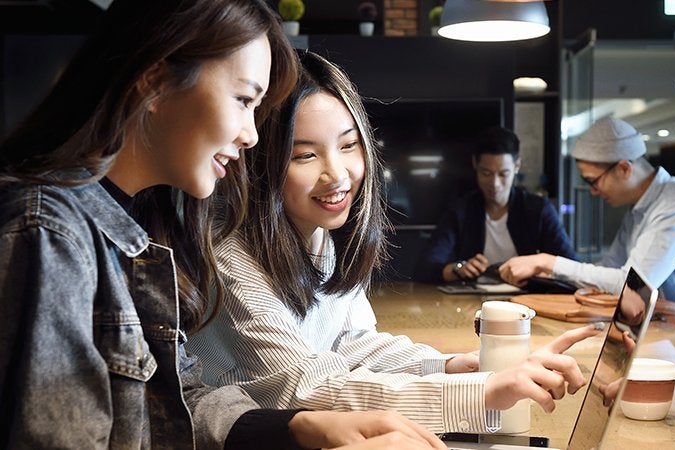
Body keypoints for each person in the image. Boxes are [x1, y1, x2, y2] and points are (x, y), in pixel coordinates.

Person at [0, 1, 447, 449]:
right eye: (244, 100)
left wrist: (294, 428)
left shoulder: (144, 221)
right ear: (154, 81)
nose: (252, 135)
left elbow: (170, 404)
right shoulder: (48, 232)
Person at [187, 50, 600, 435]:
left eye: (348, 145)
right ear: (260, 159)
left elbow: (352, 343)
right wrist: (483, 392)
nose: (339, 175)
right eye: (304, 155)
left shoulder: (320, 234)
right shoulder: (231, 255)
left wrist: (454, 366)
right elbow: (303, 388)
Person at [498, 116, 675, 310]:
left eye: (592, 181)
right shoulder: (640, 207)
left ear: (624, 168)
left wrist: (549, 262)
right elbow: (609, 270)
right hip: (668, 329)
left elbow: (631, 286)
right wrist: (547, 276)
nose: (593, 192)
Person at [413, 126, 576, 284]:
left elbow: (570, 267)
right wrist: (458, 268)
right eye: (486, 173)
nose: (495, 183)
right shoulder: (461, 209)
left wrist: (538, 268)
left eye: (503, 174)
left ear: (516, 166)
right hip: (472, 301)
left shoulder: (538, 209)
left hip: (526, 301)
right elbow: (424, 268)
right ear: (475, 165)